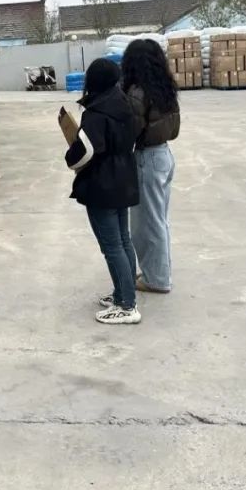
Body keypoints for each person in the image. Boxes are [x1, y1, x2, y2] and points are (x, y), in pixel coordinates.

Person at [65, 58, 144, 325]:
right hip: (124, 178)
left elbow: (85, 151)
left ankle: (126, 305)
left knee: (112, 246)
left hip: (103, 184)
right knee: (123, 240)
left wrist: (70, 158)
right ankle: (123, 292)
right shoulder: (125, 104)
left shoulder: (96, 112)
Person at [122, 38, 180, 294]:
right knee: (159, 221)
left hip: (147, 160)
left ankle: (157, 280)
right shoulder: (165, 87)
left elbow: (130, 131)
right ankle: (157, 272)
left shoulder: (138, 93)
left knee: (147, 224)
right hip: (164, 155)